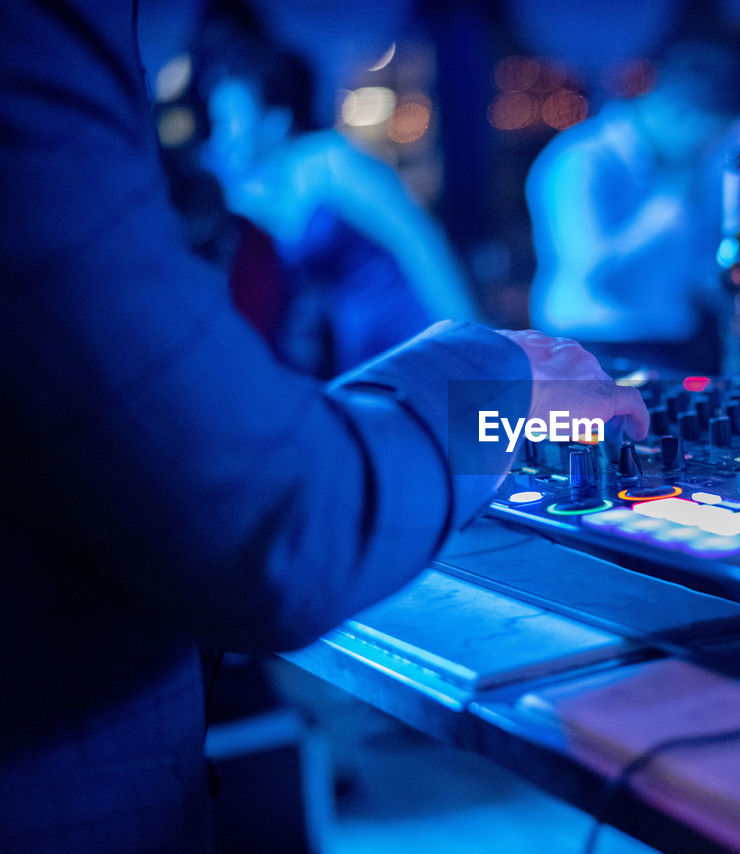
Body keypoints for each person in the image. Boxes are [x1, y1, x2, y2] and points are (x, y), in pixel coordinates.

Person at [0, 2, 646, 851]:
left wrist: (494, 364)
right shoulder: (241, 185)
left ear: (265, 107)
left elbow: (425, 256)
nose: (207, 130)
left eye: (222, 110)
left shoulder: (331, 163)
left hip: (399, 360)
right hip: (362, 390)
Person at [198, 27, 481, 378]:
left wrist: (472, 339)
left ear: (276, 120)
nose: (219, 139)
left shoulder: (332, 160)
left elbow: (419, 241)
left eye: (228, 122)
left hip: (413, 324)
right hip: (359, 343)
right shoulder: (262, 188)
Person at [526, 37, 740, 376]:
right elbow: (592, 271)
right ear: (678, 112)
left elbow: (697, 269)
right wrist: (668, 206)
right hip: (593, 349)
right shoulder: (580, 159)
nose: (708, 150)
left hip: (674, 346)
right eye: (707, 137)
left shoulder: (680, 166)